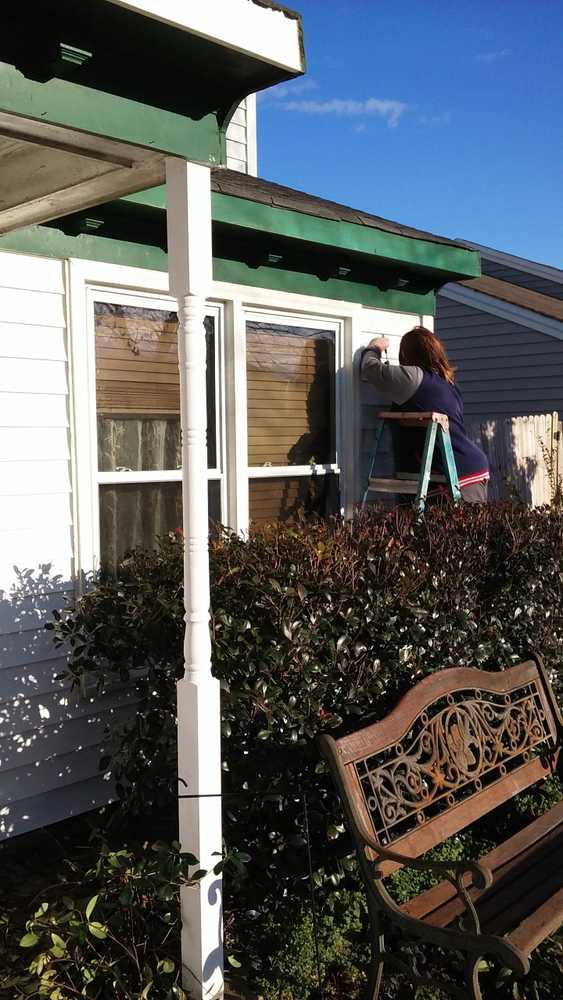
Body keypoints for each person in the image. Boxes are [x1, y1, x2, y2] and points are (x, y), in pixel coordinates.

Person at [361, 325, 489, 503]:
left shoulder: (413, 377)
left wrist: (374, 347)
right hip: (472, 467)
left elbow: (371, 369)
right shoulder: (449, 384)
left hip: (455, 474)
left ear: (408, 355)